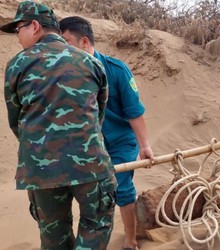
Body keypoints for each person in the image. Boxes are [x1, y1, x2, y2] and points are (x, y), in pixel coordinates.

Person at [1, 1, 116, 249]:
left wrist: (40, 146)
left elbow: (16, 120)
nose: (17, 36)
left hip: (42, 170)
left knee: (54, 237)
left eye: (18, 29)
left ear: (34, 26)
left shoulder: (17, 65)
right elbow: (99, 113)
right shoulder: (90, 62)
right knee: (96, 226)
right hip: (91, 165)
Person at [59, 16, 154, 250]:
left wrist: (144, 145)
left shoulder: (116, 70)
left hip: (121, 142)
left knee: (121, 187)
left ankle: (130, 241)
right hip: (90, 145)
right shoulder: (65, 76)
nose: (62, 48)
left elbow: (134, 111)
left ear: (83, 42)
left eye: (66, 41)